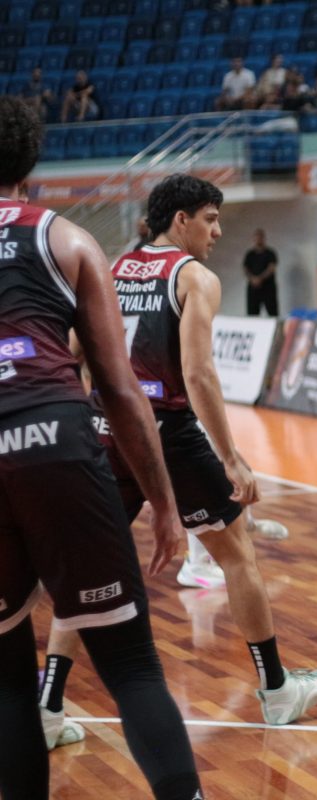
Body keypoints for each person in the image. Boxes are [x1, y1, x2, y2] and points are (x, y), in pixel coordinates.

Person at [40, 175, 317, 739]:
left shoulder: (112, 267)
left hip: (106, 430)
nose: (217, 230)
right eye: (210, 218)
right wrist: (231, 457)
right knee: (237, 555)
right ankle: (278, 690)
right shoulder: (193, 277)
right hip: (167, 433)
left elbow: (73, 351)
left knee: (88, 568)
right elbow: (199, 373)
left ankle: (48, 708)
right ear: (180, 220)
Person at [0, 95, 203, 799]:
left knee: (5, 680)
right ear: (31, 163)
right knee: (132, 665)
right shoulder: (67, 239)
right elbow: (119, 388)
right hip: (55, 435)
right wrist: (165, 505)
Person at [243, 228, 279, 317]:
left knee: (272, 313)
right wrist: (253, 279)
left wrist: (260, 279)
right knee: (252, 314)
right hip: (253, 289)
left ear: (263, 238)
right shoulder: (250, 254)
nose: (258, 240)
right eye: (256, 237)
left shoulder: (270, 253)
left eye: (260, 237)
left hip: (268, 288)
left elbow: (271, 268)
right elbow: (245, 269)